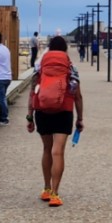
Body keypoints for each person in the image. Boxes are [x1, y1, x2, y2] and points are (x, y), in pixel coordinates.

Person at [27, 35, 83, 206]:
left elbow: (33, 93)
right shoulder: (70, 68)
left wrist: (30, 117)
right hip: (64, 111)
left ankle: (45, 188)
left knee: (46, 149)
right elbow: (78, 96)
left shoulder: (40, 67)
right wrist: (80, 119)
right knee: (57, 152)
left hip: (42, 111)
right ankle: (55, 194)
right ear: (65, 50)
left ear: (50, 49)